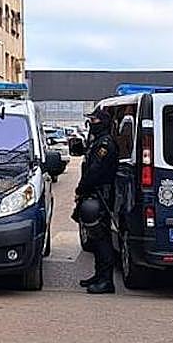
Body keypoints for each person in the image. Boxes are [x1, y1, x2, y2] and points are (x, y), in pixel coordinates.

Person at [75, 105, 119, 294]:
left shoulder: (105, 144)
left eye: (94, 121)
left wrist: (81, 188)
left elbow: (95, 171)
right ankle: (98, 275)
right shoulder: (97, 141)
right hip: (96, 193)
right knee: (95, 237)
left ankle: (106, 281)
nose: (91, 124)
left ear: (103, 123)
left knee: (102, 239)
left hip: (102, 194)